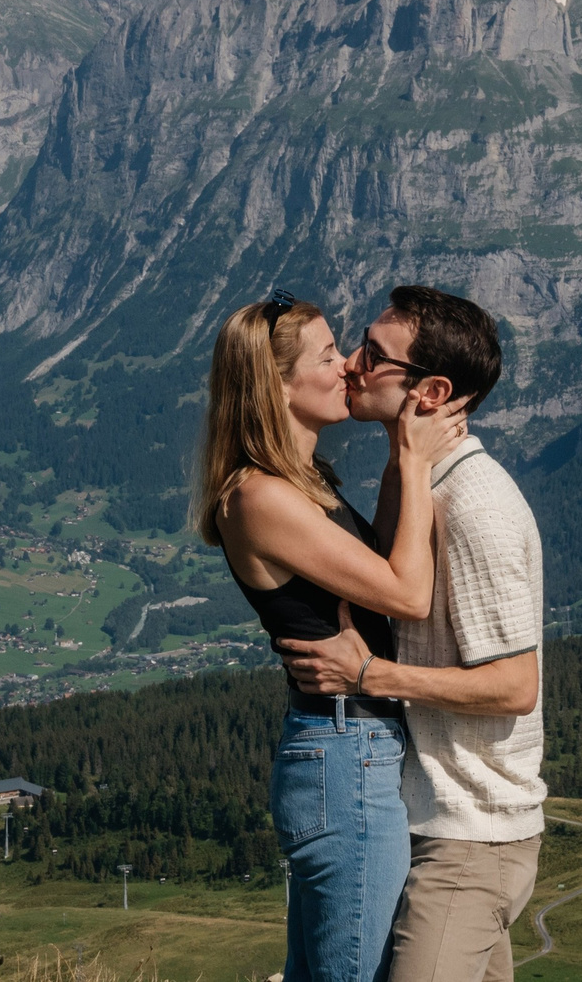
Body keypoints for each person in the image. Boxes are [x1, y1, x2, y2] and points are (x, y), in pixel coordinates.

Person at [193, 291, 471, 982]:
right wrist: (410, 457)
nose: (347, 363)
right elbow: (406, 592)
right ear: (275, 386)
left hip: (349, 750)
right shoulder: (262, 498)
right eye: (326, 355)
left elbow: (381, 571)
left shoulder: (302, 482)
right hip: (347, 758)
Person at [278, 285, 545, 982]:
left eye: (373, 353)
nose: (353, 365)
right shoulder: (421, 479)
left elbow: (517, 685)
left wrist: (369, 676)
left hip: (470, 836)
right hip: (439, 821)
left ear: (430, 390)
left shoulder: (476, 503)